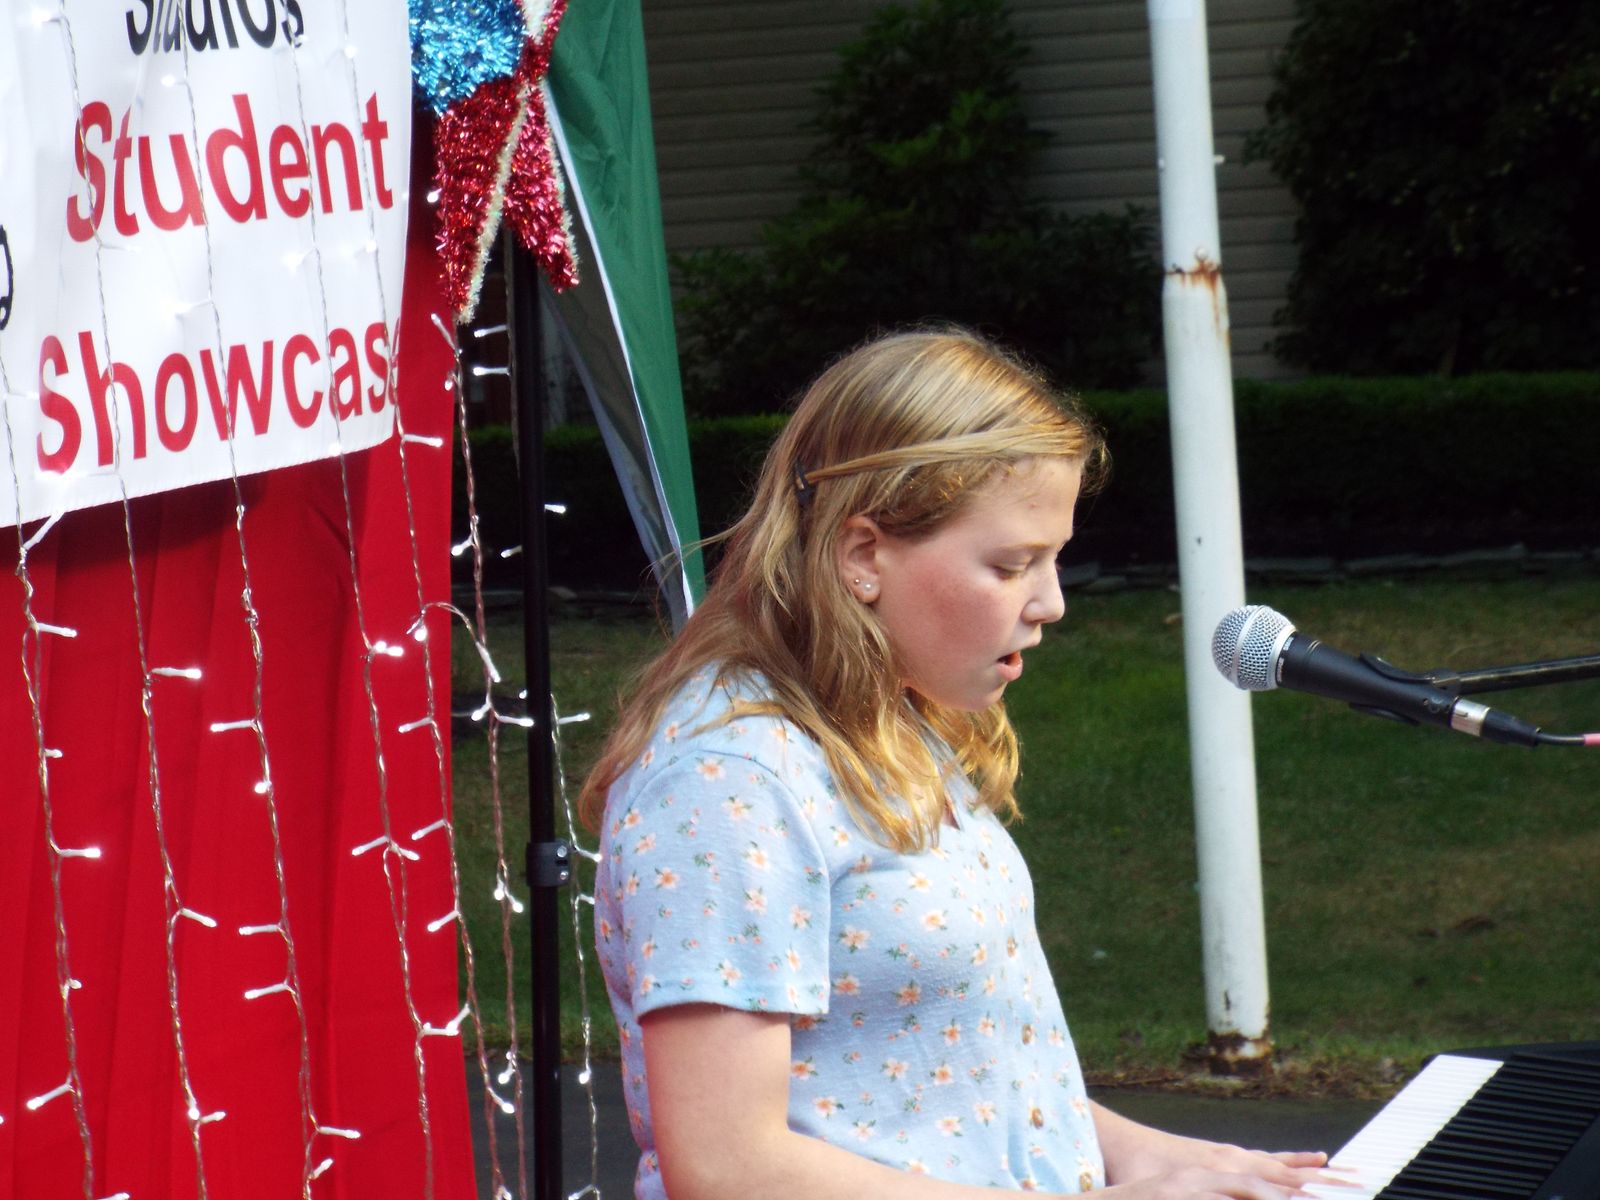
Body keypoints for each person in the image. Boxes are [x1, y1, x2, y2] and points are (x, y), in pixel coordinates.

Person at [579, 329, 1333, 1199]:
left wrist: (1137, 1153)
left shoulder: (887, 716)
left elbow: (950, 1074)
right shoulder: (728, 780)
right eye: (1013, 565)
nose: (1051, 603)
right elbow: (726, 1167)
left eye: (1053, 559)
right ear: (863, 556)